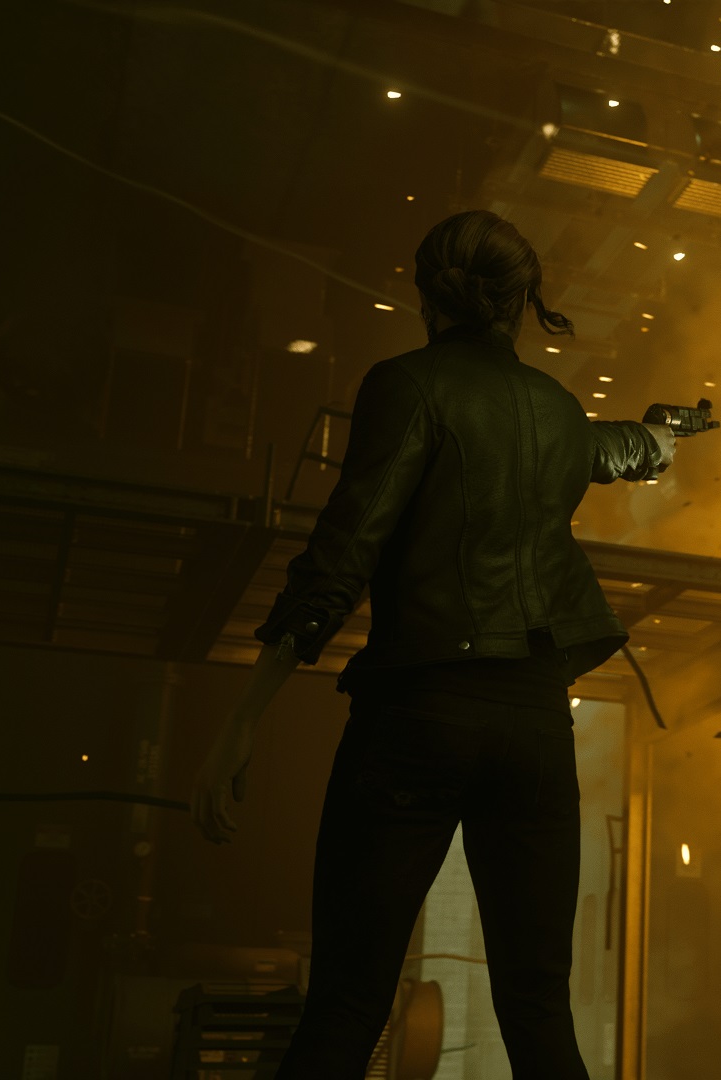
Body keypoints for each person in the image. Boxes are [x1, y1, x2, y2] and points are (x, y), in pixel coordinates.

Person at [192, 209, 677, 1079]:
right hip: (533, 724)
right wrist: (659, 442)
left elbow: (341, 558)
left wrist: (244, 717)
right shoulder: (558, 410)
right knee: (539, 1013)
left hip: (419, 714)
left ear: (429, 297)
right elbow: (614, 450)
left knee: (347, 1005)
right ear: (522, 302)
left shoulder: (406, 386)